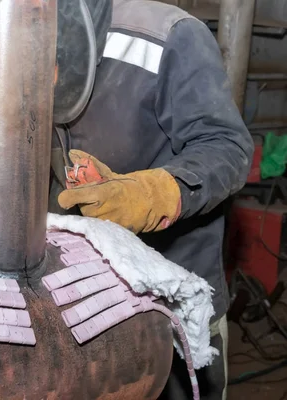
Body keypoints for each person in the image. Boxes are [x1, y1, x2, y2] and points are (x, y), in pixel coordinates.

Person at [49, 0, 254, 399]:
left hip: (173, 303)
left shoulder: (170, 36)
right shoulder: (24, 31)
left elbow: (228, 148)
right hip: (89, 305)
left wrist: (152, 193)